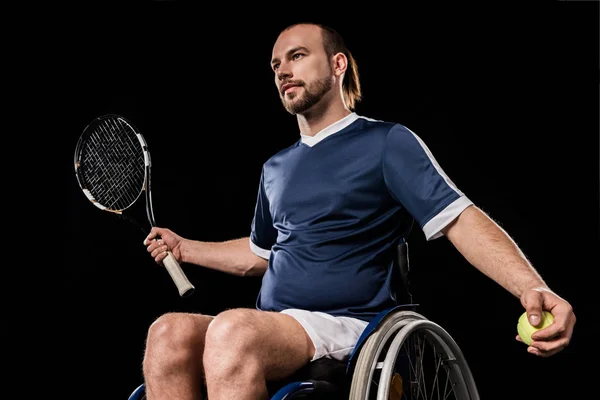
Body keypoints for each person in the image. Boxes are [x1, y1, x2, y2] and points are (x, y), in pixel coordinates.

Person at [140, 22, 576, 400]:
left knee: (231, 331)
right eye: (275, 65)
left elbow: (459, 219)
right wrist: (185, 248)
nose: (283, 71)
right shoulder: (275, 167)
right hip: (277, 326)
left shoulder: (386, 143)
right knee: (167, 334)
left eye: (297, 56)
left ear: (337, 65)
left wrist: (530, 288)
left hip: (350, 326)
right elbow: (261, 255)